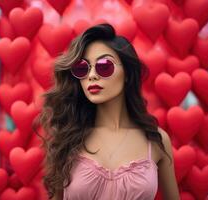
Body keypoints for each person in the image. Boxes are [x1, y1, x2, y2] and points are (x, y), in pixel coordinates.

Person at [37, 23, 180, 200]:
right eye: (82, 68)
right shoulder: (67, 139)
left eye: (104, 65)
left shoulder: (156, 141)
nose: (92, 75)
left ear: (127, 73)